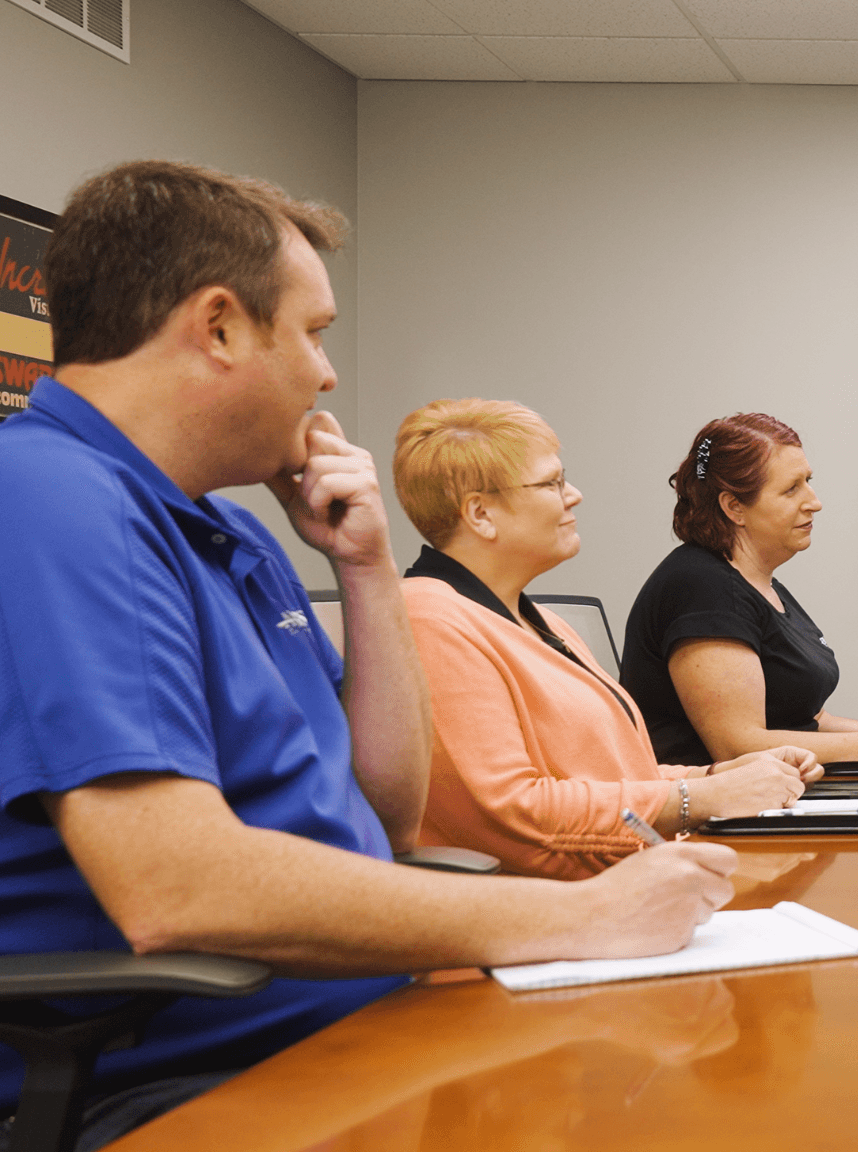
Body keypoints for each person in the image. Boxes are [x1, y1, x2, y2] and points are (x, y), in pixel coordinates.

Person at [0, 160, 736, 1145]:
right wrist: (579, 918)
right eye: (311, 333)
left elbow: (383, 817)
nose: (326, 373)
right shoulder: (54, 503)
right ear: (219, 327)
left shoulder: (230, 529)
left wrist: (367, 565)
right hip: (190, 1078)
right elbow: (176, 888)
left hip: (361, 1017)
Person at [391, 399, 822, 879]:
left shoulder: (547, 624)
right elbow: (513, 809)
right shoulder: (428, 618)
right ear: (480, 513)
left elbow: (619, 776)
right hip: (545, 906)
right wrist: (696, 798)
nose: (573, 494)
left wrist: (722, 776)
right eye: (551, 483)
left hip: (622, 882)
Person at [620, 413, 858, 765]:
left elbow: (808, 722)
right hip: (714, 810)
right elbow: (736, 748)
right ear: (734, 507)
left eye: (808, 481)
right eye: (792, 488)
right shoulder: (703, 588)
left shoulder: (758, 584)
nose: (814, 501)